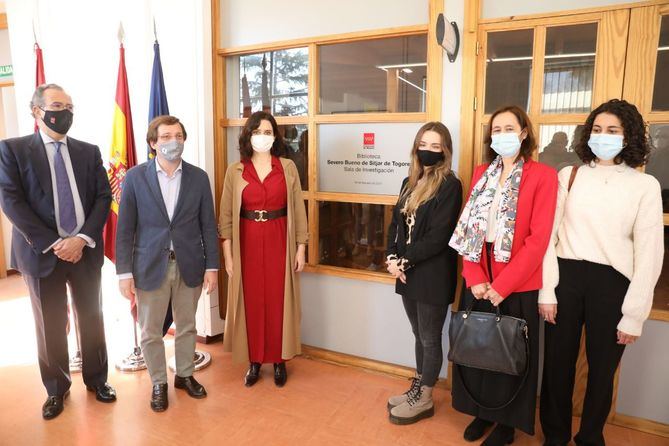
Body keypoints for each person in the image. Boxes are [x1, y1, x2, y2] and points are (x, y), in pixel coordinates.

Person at [539, 99, 664, 446]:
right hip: (566, 277)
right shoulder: (571, 175)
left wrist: (634, 315)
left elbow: (649, 253)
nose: (602, 137)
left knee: (602, 371)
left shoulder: (644, 186)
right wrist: (547, 290)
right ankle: (555, 436)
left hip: (613, 284)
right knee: (557, 366)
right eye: (596, 129)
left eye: (612, 131)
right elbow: (550, 236)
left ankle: (591, 436)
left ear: (628, 137)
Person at [0, 83, 115, 419]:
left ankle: (97, 380)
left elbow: (102, 198)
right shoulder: (13, 150)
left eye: (69, 106)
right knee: (49, 325)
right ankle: (56, 389)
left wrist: (81, 239)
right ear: (37, 111)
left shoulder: (88, 151)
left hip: (85, 250)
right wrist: (55, 242)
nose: (63, 112)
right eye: (56, 105)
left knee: (92, 317)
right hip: (41, 253)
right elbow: (11, 201)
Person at [448, 105, 558, 445]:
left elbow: (538, 240)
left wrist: (503, 286)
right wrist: (473, 275)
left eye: (509, 128)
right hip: (479, 277)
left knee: (511, 356)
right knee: (479, 350)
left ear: (523, 133)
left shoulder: (543, 176)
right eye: (496, 129)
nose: (502, 135)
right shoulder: (482, 172)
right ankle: (482, 413)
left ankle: (507, 424)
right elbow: (467, 229)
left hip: (518, 282)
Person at [115, 115, 219, 412]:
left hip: (190, 264)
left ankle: (184, 375)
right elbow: (124, 229)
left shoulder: (198, 177)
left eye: (177, 136)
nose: (173, 142)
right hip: (149, 265)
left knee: (187, 325)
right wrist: (124, 274)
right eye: (165, 137)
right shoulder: (135, 178)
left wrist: (212, 267)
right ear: (153, 143)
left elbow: (208, 226)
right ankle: (159, 381)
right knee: (150, 330)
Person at [220, 111, 308, 387]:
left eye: (268, 132)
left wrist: (300, 247)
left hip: (279, 236)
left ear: (275, 137)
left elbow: (298, 209)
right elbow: (225, 217)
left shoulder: (287, 167)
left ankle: (279, 360)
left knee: (278, 298)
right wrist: (228, 254)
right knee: (252, 300)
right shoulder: (235, 171)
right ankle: (255, 360)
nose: (263, 136)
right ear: (248, 136)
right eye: (257, 131)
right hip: (246, 238)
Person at [385, 122, 462, 425]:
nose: (428, 150)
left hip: (432, 274)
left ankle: (426, 397)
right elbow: (395, 225)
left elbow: (438, 237)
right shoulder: (409, 181)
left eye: (435, 146)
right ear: (415, 147)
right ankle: (418, 385)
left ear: (445, 150)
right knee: (418, 334)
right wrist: (392, 257)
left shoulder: (450, 185)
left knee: (430, 339)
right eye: (423, 144)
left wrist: (402, 262)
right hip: (406, 273)